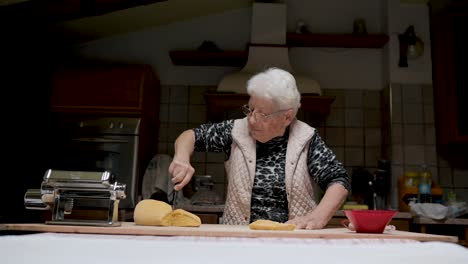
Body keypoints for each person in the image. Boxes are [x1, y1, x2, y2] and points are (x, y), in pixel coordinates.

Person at [169, 67, 350, 229]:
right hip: (241, 241)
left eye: (262, 114)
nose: (252, 119)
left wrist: (317, 217)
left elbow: (338, 179)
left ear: (287, 117)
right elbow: (190, 136)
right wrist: (182, 158)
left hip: (293, 240)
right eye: (250, 109)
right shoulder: (235, 131)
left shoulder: (306, 138)